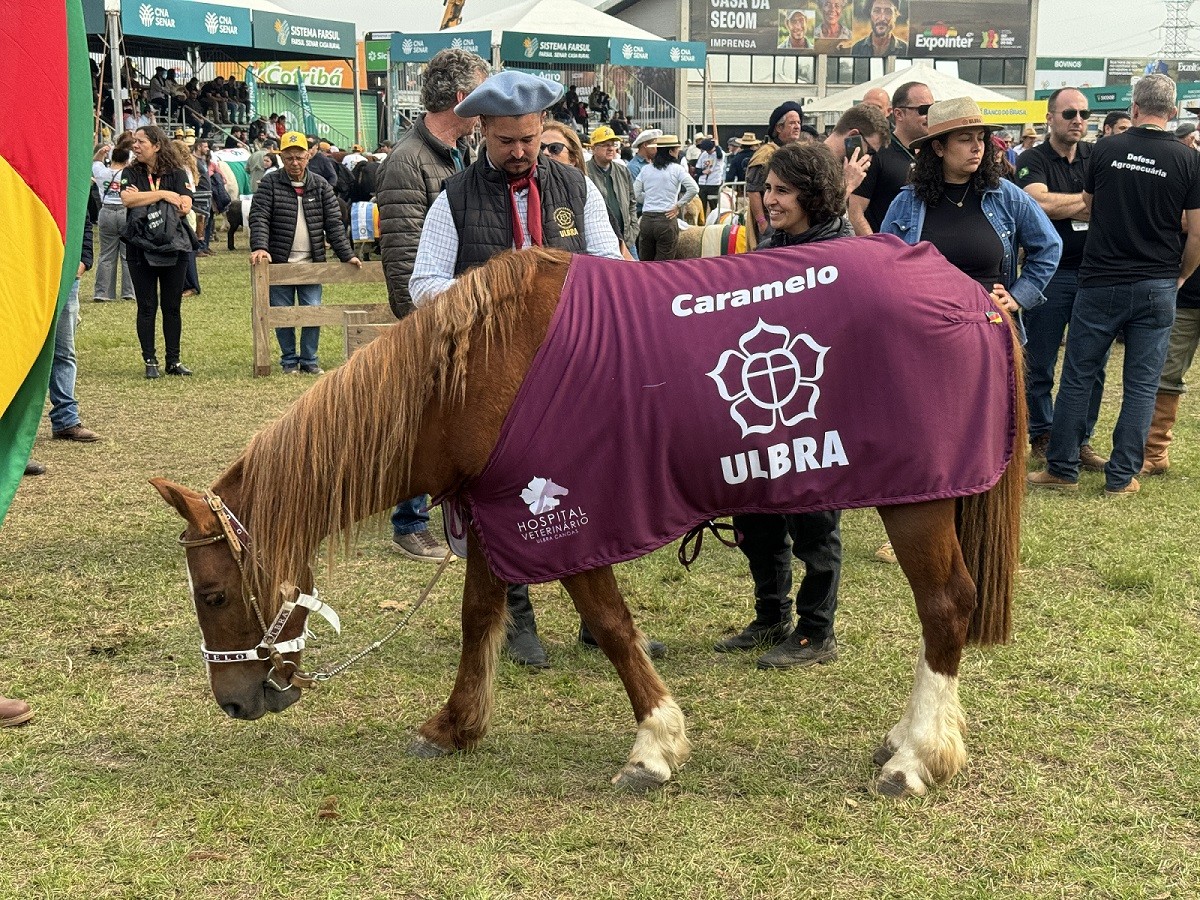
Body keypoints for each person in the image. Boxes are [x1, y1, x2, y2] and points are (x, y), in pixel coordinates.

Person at [409, 69, 651, 667]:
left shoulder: (577, 187)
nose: (519, 153)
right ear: (481, 132)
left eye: (529, 139)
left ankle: (600, 623)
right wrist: (498, 293)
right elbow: (422, 286)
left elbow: (606, 266)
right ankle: (517, 619)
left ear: (543, 127)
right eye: (504, 141)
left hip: (571, 372)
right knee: (503, 496)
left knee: (588, 490)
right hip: (494, 383)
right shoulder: (454, 198)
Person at [715, 141, 851, 668]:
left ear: (813, 195)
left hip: (815, 409)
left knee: (813, 522)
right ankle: (772, 615)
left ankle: (817, 632)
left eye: (783, 191)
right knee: (757, 513)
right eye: (768, 189)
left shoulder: (841, 253)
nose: (769, 200)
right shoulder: (769, 246)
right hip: (762, 407)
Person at [1031, 74, 1200, 496]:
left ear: (1135, 108)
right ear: (1173, 112)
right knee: (1142, 383)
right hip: (1157, 284)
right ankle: (1122, 477)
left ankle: (1062, 468)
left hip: (1100, 280)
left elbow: (1088, 205)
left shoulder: (1105, 148)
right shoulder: (1187, 160)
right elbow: (1196, 233)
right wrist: (1180, 275)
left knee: (1078, 375)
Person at [377, 47, 487, 562]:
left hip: (457, 311)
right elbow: (402, 258)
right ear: (463, 98)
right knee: (419, 420)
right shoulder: (408, 161)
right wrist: (423, 322)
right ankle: (408, 521)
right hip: (429, 317)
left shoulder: (453, 155)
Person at [881, 96, 1061, 337]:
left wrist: (1019, 296)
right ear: (938, 148)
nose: (977, 147)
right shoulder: (907, 202)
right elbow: (884, 265)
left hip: (989, 328)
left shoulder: (1006, 195)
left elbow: (1049, 245)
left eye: (980, 138)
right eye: (965, 139)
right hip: (925, 330)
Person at [1015, 87, 1108, 473]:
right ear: (1050, 117)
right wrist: (1089, 199)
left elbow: (1058, 204)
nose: (1078, 121)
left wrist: (1063, 201)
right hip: (1049, 274)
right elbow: (1038, 204)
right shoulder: (1031, 158)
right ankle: (1043, 434)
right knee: (1040, 360)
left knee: (1092, 364)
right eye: (1069, 113)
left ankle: (1079, 441)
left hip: (1094, 274)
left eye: (1084, 114)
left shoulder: (1096, 156)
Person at [249, 130, 361, 376]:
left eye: (299, 157)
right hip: (279, 262)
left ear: (308, 156)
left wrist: (346, 254)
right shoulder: (269, 183)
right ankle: (289, 361)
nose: (294, 163)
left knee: (313, 311)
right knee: (283, 315)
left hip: (313, 263)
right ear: (282, 158)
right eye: (289, 158)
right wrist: (260, 246)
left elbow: (334, 223)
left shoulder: (321, 185)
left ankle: (310, 360)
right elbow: (259, 217)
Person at [120, 125, 196, 379]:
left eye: (141, 141)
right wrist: (163, 194)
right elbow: (127, 200)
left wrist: (144, 196)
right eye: (134, 142)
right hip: (139, 246)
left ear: (157, 145)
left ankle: (173, 361)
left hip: (174, 246)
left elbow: (185, 205)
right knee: (147, 305)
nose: (135, 146)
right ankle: (149, 360)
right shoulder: (131, 172)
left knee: (172, 306)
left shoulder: (176, 172)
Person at [49, 194, 102, 444]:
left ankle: (66, 420)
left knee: (63, 352)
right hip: (28, 275)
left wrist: (84, 261)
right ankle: (14, 428)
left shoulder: (75, 178)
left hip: (66, 275)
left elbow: (85, 221)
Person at [849, 81, 932, 235]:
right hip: (886, 251)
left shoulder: (934, 152)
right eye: (923, 110)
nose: (929, 116)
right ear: (898, 114)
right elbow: (855, 212)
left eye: (933, 109)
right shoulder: (876, 152)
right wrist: (878, 250)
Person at [746, 101, 804, 247]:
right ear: (779, 127)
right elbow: (753, 190)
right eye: (791, 123)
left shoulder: (797, 152)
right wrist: (762, 223)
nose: (797, 126)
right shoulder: (765, 154)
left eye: (798, 122)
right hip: (770, 219)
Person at [632, 134, 699, 261]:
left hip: (646, 220)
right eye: (677, 149)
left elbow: (635, 193)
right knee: (664, 265)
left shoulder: (646, 169)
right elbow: (694, 189)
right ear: (671, 151)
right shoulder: (677, 169)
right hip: (666, 219)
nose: (678, 152)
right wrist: (679, 205)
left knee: (646, 263)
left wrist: (650, 199)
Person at [585, 124, 638, 256]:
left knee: (635, 274)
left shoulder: (622, 170)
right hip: (599, 244)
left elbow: (632, 202)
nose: (610, 148)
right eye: (604, 145)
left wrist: (633, 230)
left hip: (626, 240)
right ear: (593, 149)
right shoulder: (583, 172)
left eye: (613, 144)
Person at [92, 144, 136, 302]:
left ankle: (103, 292)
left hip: (106, 211)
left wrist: (100, 153)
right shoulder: (129, 173)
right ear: (126, 160)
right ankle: (129, 291)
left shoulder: (102, 172)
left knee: (106, 254)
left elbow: (95, 162)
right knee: (128, 254)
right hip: (125, 211)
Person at [819, 102, 888, 196]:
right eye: (870, 151)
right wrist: (848, 185)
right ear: (853, 135)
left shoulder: (836, 171)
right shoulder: (807, 165)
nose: (869, 159)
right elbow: (824, 210)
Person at [694, 136, 726, 217]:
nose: (708, 152)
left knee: (713, 206)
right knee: (702, 205)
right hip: (702, 183)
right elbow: (697, 169)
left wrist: (717, 145)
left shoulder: (719, 153)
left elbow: (720, 155)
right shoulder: (703, 155)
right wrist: (703, 172)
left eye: (709, 150)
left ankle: (715, 220)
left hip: (714, 183)